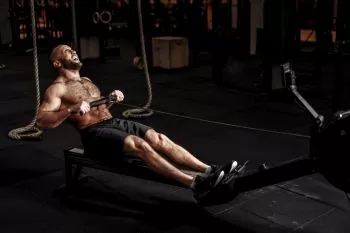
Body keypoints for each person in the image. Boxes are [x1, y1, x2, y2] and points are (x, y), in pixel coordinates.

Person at [36, 44, 239, 202]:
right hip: (93, 135)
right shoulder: (57, 89)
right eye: (66, 51)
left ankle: (208, 170)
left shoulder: (87, 80)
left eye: (72, 49)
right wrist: (70, 109)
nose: (73, 52)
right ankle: (195, 184)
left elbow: (98, 110)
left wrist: (111, 100)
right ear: (57, 63)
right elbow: (42, 121)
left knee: (157, 138)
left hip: (113, 123)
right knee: (139, 145)